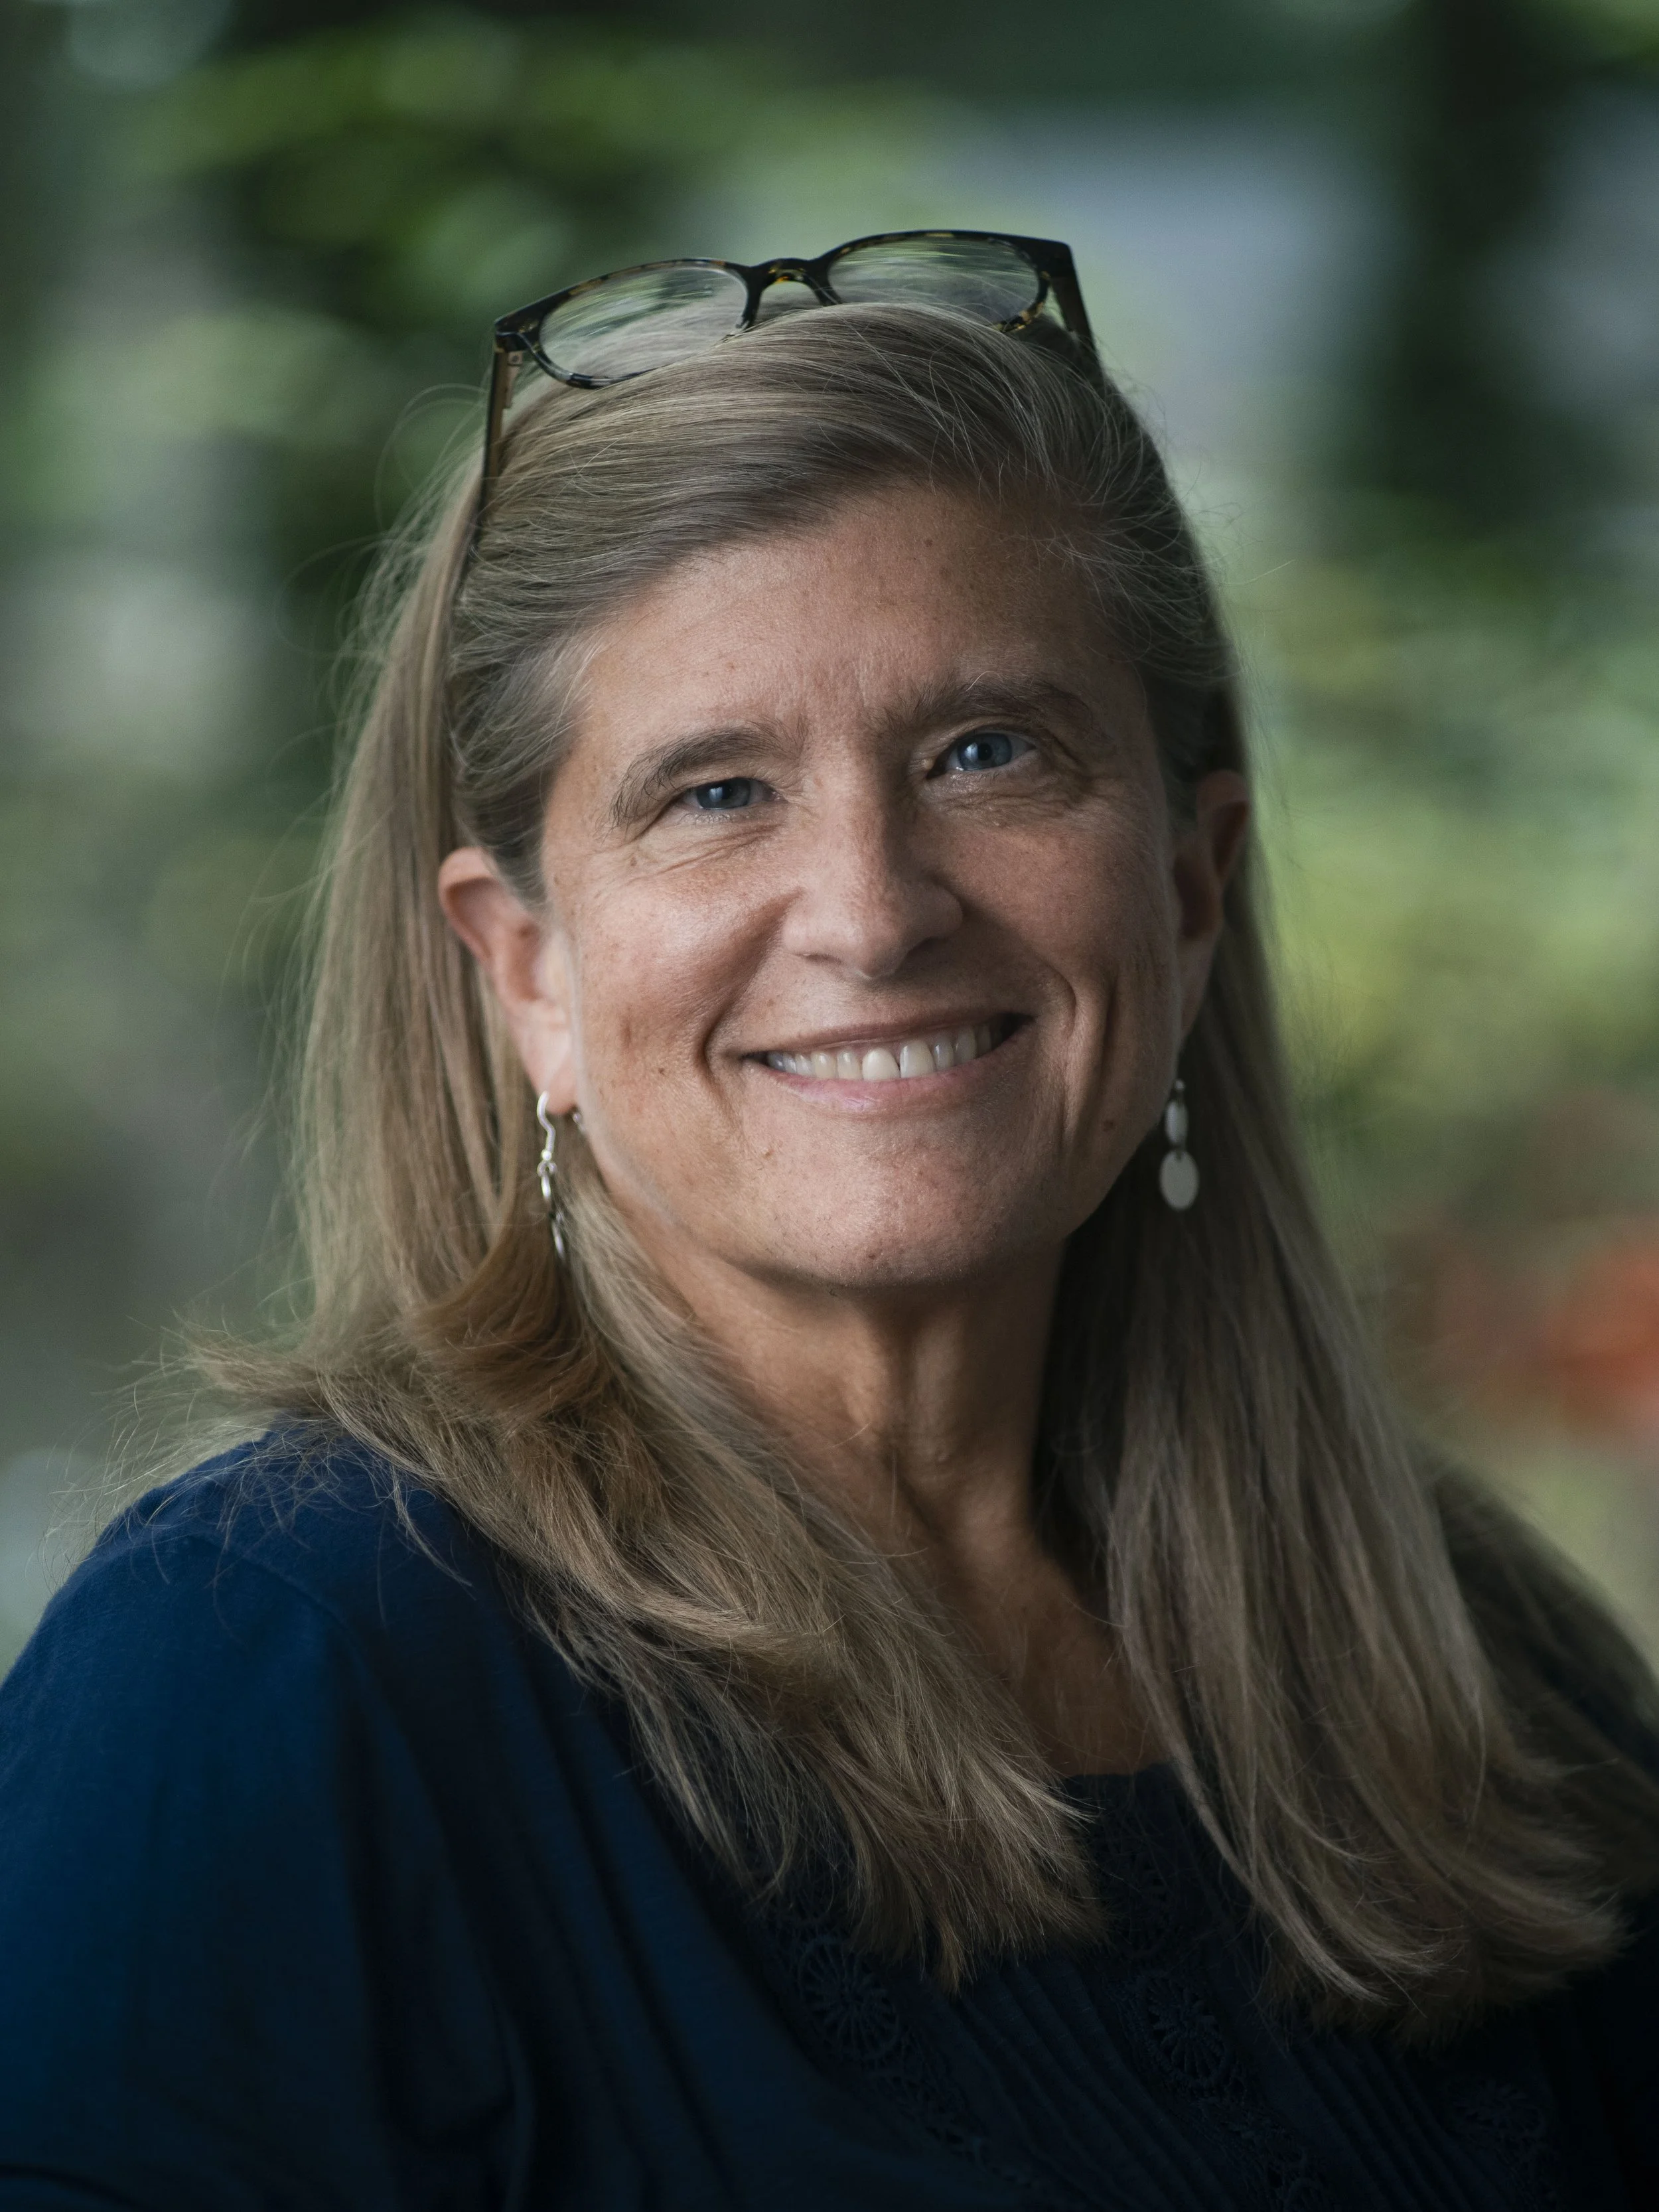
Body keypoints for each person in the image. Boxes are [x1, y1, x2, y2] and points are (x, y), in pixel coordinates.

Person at [1, 230, 1655, 2211]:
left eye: (986, 753)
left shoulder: (1473, 1668)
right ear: (522, 966)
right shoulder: (271, 1673)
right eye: (713, 792)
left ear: (1192, 885)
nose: (871, 911)